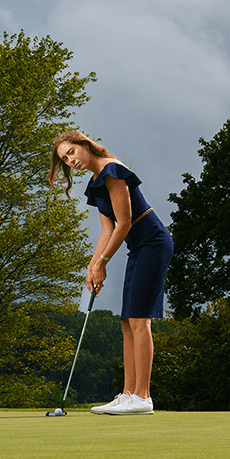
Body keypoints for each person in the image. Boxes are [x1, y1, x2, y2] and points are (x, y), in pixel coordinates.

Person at [49, 131, 174, 415]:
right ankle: (129, 394)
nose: (71, 161)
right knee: (126, 321)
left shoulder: (112, 170)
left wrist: (103, 263)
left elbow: (126, 222)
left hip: (153, 243)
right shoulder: (95, 183)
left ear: (84, 145)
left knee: (139, 319)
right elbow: (107, 230)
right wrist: (92, 267)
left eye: (71, 152)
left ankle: (143, 398)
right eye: (65, 159)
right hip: (139, 248)